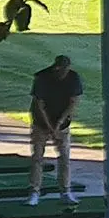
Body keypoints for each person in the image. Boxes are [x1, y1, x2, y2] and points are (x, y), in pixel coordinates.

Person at [27, 55, 82, 206]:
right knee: (37, 157)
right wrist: (50, 127)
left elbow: (73, 103)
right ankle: (34, 192)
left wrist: (58, 124)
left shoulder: (73, 78)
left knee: (64, 157)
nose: (62, 73)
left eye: (65, 70)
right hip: (40, 122)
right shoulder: (42, 78)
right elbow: (39, 106)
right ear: (55, 68)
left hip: (62, 124)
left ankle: (65, 191)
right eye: (59, 70)